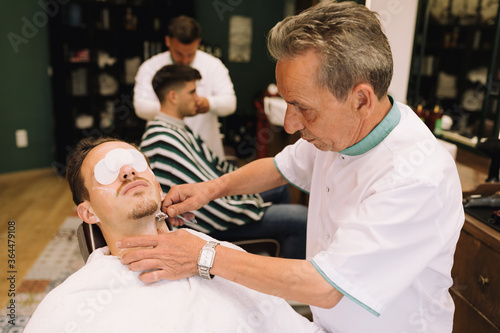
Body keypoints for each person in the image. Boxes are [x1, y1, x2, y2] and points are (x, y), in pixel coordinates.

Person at [118, 2, 465, 333]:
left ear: (361, 99)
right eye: (286, 103)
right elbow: (280, 167)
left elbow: (325, 285)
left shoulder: (415, 178)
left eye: (302, 107)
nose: (289, 124)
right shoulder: (342, 131)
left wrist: (202, 255)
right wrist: (212, 188)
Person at [24, 137, 322, 333]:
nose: (128, 172)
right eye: (107, 171)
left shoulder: (219, 254)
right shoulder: (75, 303)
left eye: (136, 163)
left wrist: (207, 255)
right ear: (88, 213)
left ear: (156, 183)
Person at [140, 64, 307, 259]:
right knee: (301, 218)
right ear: (173, 97)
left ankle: (275, 247)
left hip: (217, 203)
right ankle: (284, 279)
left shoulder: (174, 128)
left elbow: (209, 173)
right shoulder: (162, 138)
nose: (198, 98)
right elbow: (203, 199)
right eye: (192, 92)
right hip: (209, 220)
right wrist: (240, 202)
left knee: (281, 188)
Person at [134, 15, 236, 159]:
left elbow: (230, 104)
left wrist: (208, 103)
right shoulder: (150, 67)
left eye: (190, 54)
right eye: (179, 54)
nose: (184, 60)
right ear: (168, 41)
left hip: (205, 151)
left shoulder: (213, 65)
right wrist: (176, 108)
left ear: (198, 42)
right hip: (166, 149)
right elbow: (141, 107)